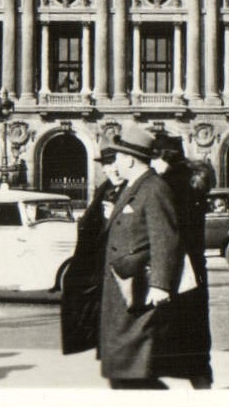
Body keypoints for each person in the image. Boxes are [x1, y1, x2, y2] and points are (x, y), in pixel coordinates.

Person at [97, 125, 183, 389]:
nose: (115, 163)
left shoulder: (154, 188)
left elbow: (166, 239)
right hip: (122, 290)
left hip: (137, 291)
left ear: (130, 160)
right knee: (123, 370)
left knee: (133, 371)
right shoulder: (134, 186)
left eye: (119, 157)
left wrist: (160, 284)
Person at [148, 134, 214, 389]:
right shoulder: (192, 183)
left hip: (175, 269)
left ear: (161, 158)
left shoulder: (164, 186)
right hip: (194, 268)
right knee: (195, 339)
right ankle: (202, 384)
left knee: (163, 339)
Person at [60, 145, 127, 356]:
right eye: (107, 164)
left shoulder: (131, 189)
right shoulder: (104, 188)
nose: (112, 169)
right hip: (96, 258)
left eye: (115, 163)